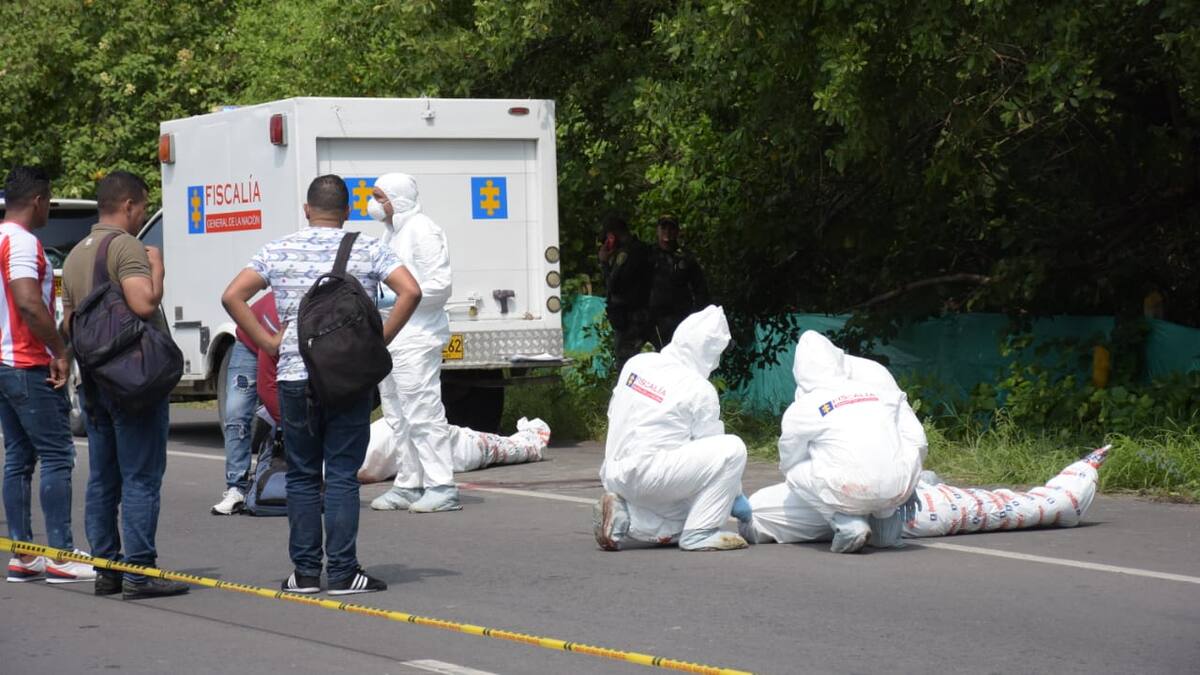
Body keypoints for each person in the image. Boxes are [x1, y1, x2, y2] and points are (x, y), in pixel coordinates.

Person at [222, 175, 421, 595]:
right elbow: (411, 291)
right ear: (346, 211)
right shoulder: (368, 248)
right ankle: (345, 573)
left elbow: (232, 296)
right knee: (343, 475)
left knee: (302, 476)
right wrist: (378, 341)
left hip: (295, 377)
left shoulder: (278, 249)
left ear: (307, 210)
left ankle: (306, 574)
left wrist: (268, 342)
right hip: (348, 377)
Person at [60, 171, 187, 599]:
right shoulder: (126, 246)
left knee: (103, 477)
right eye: (143, 207)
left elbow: (69, 324)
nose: (142, 214)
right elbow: (143, 302)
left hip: (94, 380)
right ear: (129, 204)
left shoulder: (76, 254)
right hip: (132, 381)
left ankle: (107, 569)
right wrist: (158, 268)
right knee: (141, 476)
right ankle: (139, 570)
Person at [1, 166, 95, 584]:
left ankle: (24, 554)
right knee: (58, 455)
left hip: (4, 363)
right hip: (27, 362)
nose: (49, 211)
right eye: (49, 202)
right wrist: (58, 350)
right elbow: (27, 301)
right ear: (38, 200)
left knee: (19, 458)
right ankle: (60, 554)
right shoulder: (22, 242)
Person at [594, 305, 749, 552]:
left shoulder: (638, 363)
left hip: (614, 473)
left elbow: (615, 412)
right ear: (710, 351)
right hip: (650, 476)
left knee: (687, 504)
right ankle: (700, 534)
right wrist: (735, 494)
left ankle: (625, 516)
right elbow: (713, 452)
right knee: (733, 450)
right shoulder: (699, 389)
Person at [741, 446, 1112, 545]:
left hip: (906, 502)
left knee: (988, 507)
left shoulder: (771, 499)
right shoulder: (787, 488)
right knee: (992, 508)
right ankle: (1071, 489)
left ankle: (1072, 487)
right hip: (914, 508)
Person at [773, 331, 925, 553]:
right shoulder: (879, 390)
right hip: (900, 487)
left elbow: (790, 456)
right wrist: (910, 479)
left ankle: (847, 523)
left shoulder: (803, 408)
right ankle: (886, 528)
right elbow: (918, 440)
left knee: (793, 471)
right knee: (884, 527)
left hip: (850, 489)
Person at [366, 173, 463, 514]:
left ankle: (441, 485)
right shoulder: (392, 232)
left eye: (379, 196)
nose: (374, 203)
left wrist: (394, 298)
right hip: (393, 334)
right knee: (397, 413)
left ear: (398, 198)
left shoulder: (422, 230)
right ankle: (409, 483)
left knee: (423, 410)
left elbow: (440, 284)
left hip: (418, 336)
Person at [212, 292, 279, 515]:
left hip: (276, 344)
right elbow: (267, 387)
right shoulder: (279, 319)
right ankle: (236, 488)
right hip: (252, 345)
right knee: (237, 414)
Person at [358, 417, 551, 484]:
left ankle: (531, 440)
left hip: (448, 442)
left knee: (489, 448)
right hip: (407, 434)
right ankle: (529, 442)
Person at [598, 214, 653, 372]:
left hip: (630, 318)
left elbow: (613, 285)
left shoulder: (627, 253)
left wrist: (604, 263)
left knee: (625, 363)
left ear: (612, 236)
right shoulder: (639, 249)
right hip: (637, 315)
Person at [647, 215, 709, 349]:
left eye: (671, 228)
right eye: (664, 228)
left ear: (677, 231)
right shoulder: (648, 255)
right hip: (654, 321)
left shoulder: (685, 257)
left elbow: (700, 289)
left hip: (681, 320)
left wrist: (698, 317)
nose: (667, 232)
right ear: (657, 230)